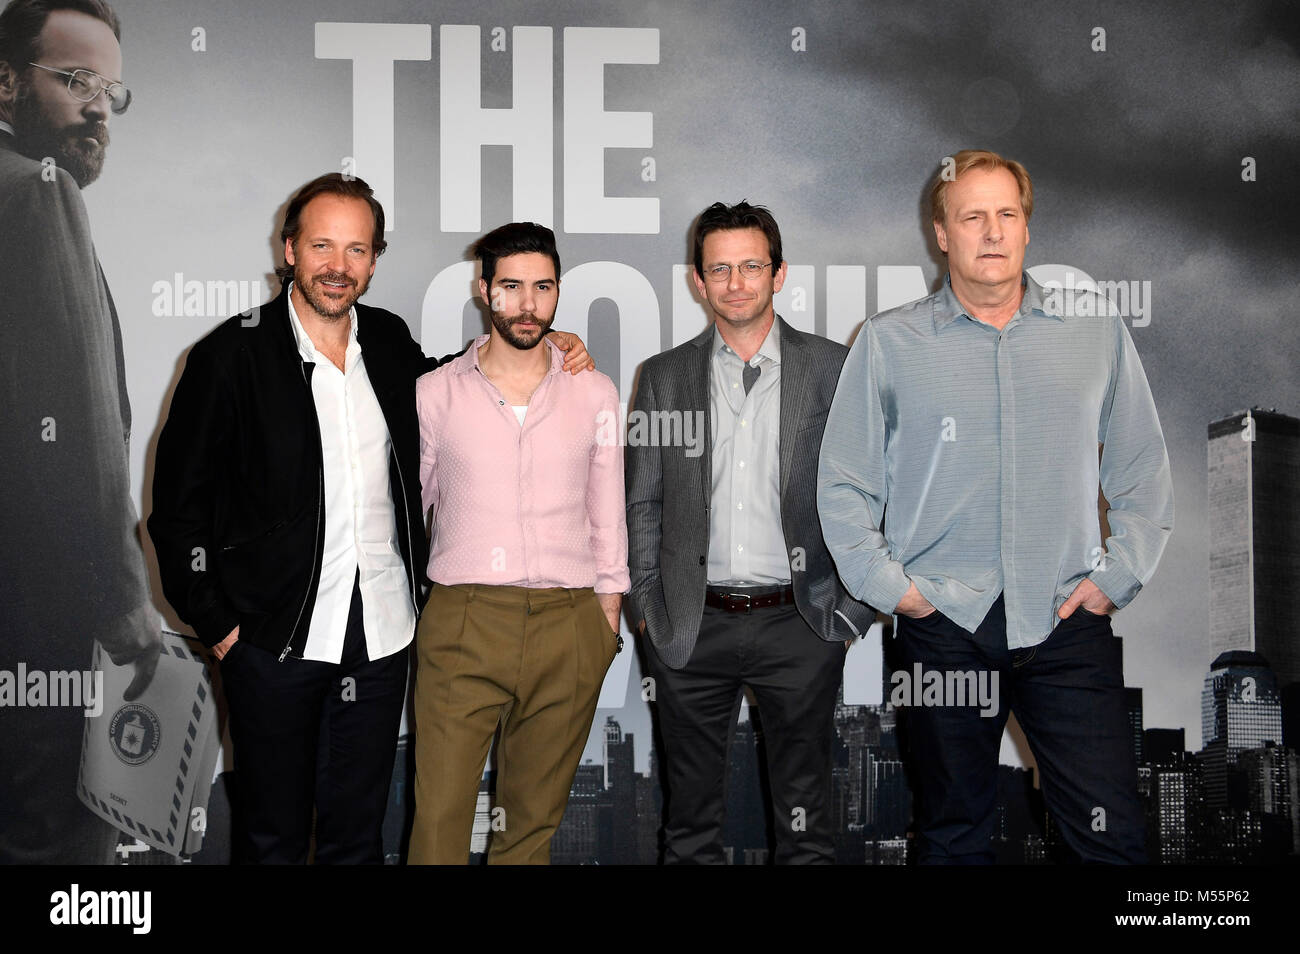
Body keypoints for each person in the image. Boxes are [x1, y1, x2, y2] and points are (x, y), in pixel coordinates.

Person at [148, 178, 592, 864]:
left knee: (358, 842)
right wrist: (223, 630)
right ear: (289, 248)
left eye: (356, 248)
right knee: (271, 840)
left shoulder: (385, 340)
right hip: (272, 645)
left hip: (382, 640)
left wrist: (542, 343)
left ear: (374, 260)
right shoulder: (229, 356)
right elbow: (176, 513)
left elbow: (457, 384)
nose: (338, 264)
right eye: (322, 244)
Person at [817, 149, 1174, 863]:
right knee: (952, 839)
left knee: (1113, 842)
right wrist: (900, 594)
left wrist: (1117, 578)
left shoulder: (1095, 332)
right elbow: (844, 485)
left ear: (1027, 229)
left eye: (1006, 214)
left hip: (1068, 622)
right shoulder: (889, 343)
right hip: (941, 626)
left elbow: (1141, 469)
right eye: (971, 216)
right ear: (941, 233)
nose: (992, 231)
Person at [625, 202, 873, 864]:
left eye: (752, 266)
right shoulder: (664, 376)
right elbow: (643, 500)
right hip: (691, 623)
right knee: (688, 829)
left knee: (805, 830)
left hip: (801, 622)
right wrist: (648, 609)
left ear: (779, 272)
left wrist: (850, 614)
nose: (736, 282)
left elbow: (874, 494)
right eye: (720, 268)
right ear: (698, 281)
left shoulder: (833, 369)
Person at [408, 222, 628, 865]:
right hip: (464, 618)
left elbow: (606, 509)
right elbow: (411, 507)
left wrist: (605, 616)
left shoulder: (594, 391)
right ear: (485, 291)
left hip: (571, 622)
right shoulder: (434, 393)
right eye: (511, 286)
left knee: (531, 830)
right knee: (439, 821)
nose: (528, 304)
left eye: (543, 287)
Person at [0, 0, 159, 865]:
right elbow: (86, 438)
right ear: (5, 82)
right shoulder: (39, 194)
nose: (99, 106)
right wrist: (127, 610)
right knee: (66, 870)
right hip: (50, 637)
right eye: (73, 81)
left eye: (110, 90)